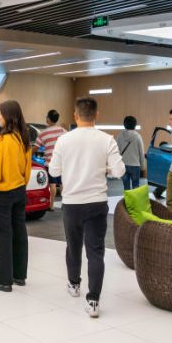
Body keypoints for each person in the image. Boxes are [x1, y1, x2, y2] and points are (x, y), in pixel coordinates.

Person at [49, 97, 125, 318]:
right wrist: (105, 169)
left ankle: (73, 285)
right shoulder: (106, 140)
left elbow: (54, 170)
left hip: (72, 203)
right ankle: (93, 301)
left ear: (75, 115)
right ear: (96, 115)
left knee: (73, 247)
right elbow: (119, 171)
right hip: (97, 203)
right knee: (95, 252)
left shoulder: (64, 140)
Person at [0, 100, 32, 293]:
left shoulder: (2, 140)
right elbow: (27, 169)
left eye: (0, 114)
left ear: (8, 117)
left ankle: (4, 281)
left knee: (2, 236)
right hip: (19, 191)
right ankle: (19, 275)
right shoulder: (23, 138)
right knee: (19, 233)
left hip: (1, 194)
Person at [35, 109, 66, 197]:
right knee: (61, 183)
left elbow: (35, 147)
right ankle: (64, 203)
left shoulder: (43, 134)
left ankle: (51, 205)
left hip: (50, 163)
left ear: (48, 119)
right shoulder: (63, 131)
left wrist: (27, 154)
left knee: (52, 184)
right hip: (61, 162)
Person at [116, 115, 145, 191]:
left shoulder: (120, 136)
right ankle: (135, 202)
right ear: (135, 125)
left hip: (123, 165)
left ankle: (127, 202)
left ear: (124, 124)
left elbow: (117, 151)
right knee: (136, 187)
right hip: (135, 166)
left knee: (126, 187)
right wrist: (143, 166)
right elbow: (141, 153)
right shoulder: (138, 137)